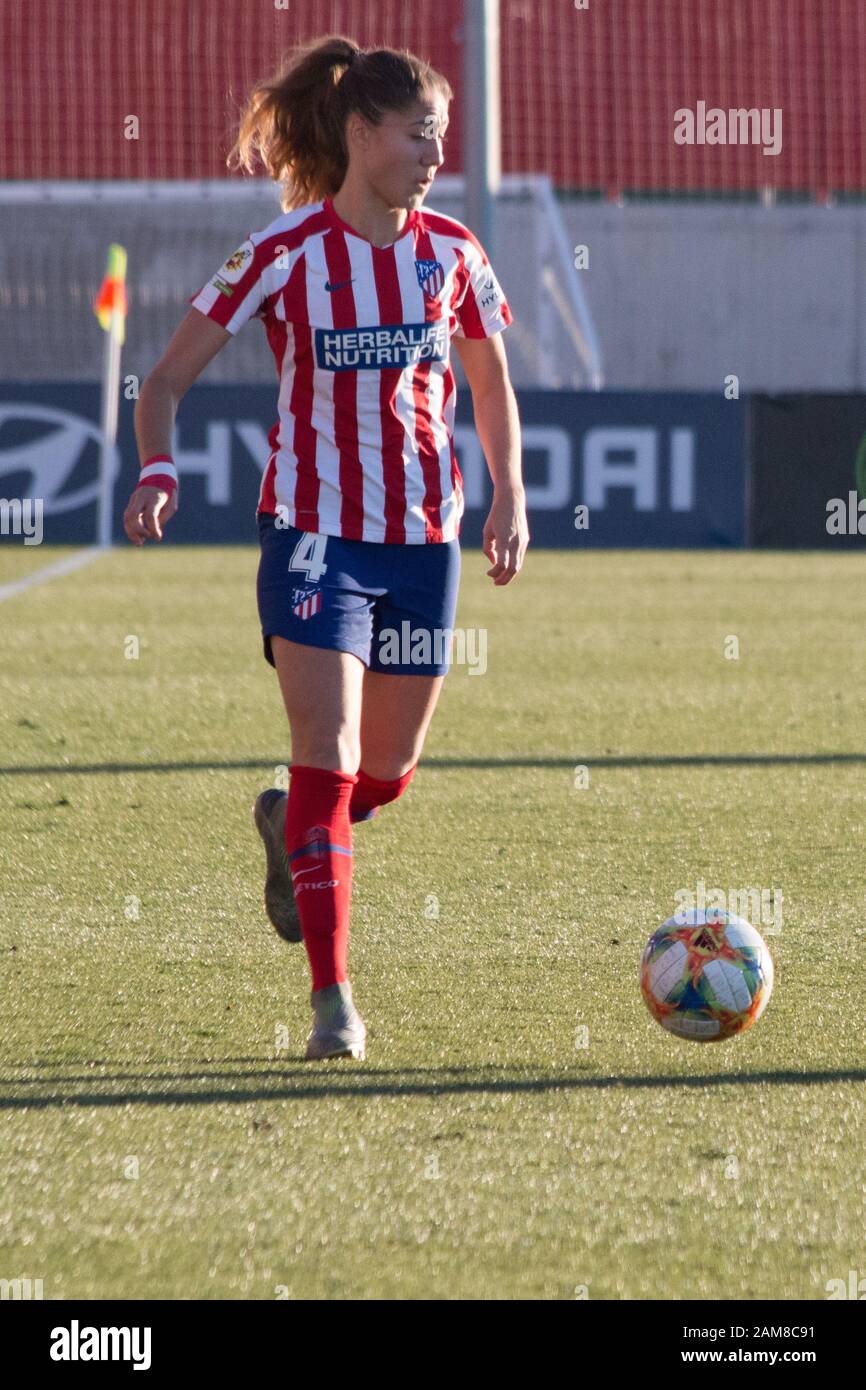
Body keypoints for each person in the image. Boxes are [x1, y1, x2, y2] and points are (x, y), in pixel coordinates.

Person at [123, 34, 529, 1062]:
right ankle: (332, 1001)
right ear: (360, 133)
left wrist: (507, 495)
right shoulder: (279, 254)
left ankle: (287, 828)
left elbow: (487, 386)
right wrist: (158, 467)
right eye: (418, 134)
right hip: (313, 536)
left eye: (440, 136)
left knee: (381, 774)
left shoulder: (455, 254)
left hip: (422, 544)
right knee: (327, 753)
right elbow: (163, 380)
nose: (435, 154)